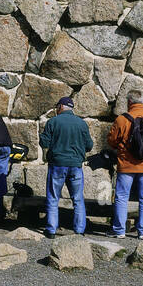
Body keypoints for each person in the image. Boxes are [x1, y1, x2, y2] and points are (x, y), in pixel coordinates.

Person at [107, 90, 143, 239]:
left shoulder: (121, 119)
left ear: (129, 102)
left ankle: (119, 230)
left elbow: (111, 141)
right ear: (142, 102)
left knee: (122, 197)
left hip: (126, 165)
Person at [39, 95, 93, 237]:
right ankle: (79, 230)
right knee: (78, 199)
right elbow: (89, 145)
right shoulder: (82, 124)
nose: (56, 109)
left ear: (61, 107)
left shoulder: (53, 122)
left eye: (57, 107)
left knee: (53, 197)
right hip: (76, 166)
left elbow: (44, 143)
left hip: (57, 164)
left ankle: (51, 230)